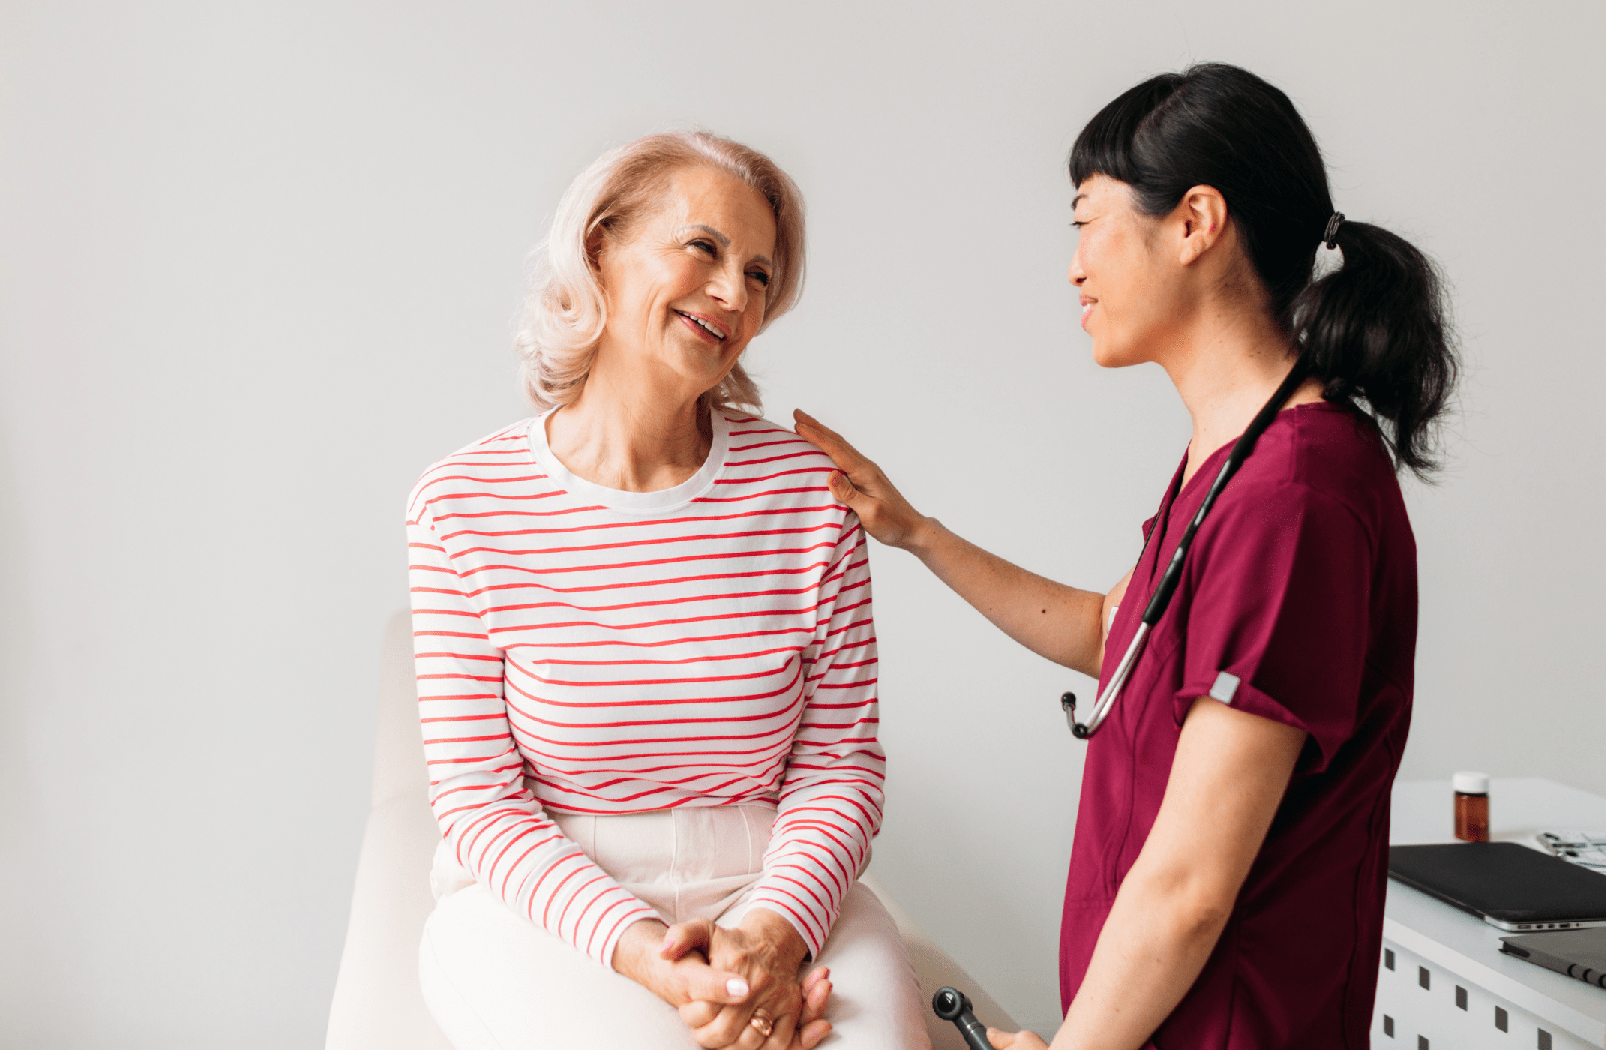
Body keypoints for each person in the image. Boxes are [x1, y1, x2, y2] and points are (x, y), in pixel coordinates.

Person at [796, 63, 1457, 1049]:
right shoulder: (1235, 462)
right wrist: (916, 531)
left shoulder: (1294, 497)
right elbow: (1120, 633)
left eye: (1086, 221)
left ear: (1194, 223)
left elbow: (1191, 887)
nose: (1073, 267)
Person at [408, 131, 931, 1050]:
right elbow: (480, 802)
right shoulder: (462, 503)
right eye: (704, 248)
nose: (735, 294)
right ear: (600, 248)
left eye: (760, 275)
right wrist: (651, 955)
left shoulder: (808, 494)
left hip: (773, 888)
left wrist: (771, 937)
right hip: (546, 905)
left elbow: (840, 769)